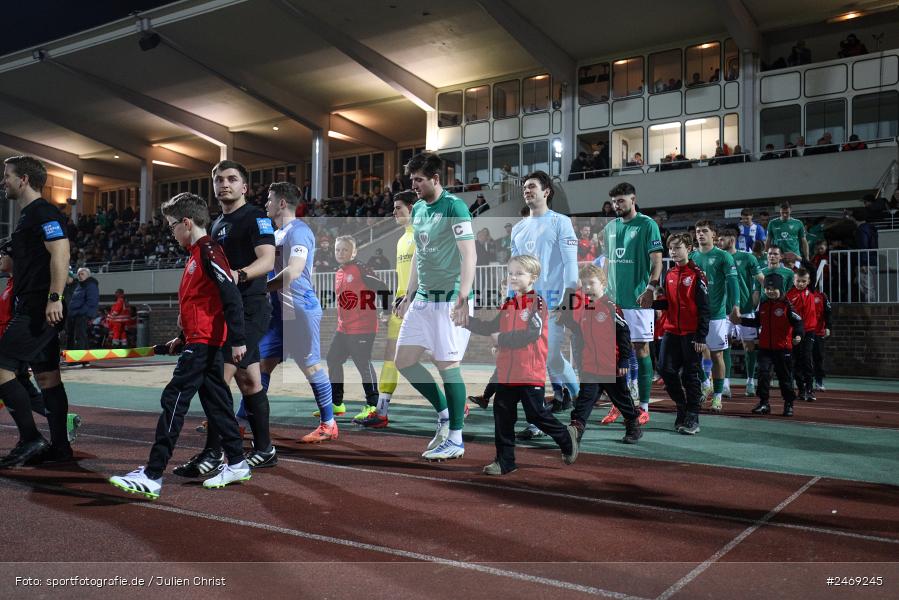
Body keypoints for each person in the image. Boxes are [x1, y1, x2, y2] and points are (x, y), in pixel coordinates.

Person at [108, 193, 251, 498]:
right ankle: (238, 463)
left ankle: (152, 473)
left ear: (186, 223)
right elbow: (204, 304)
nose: (171, 233)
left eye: (172, 226)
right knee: (218, 404)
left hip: (204, 345)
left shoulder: (209, 251)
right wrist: (183, 338)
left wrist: (237, 339)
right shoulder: (197, 254)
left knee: (174, 399)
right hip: (200, 342)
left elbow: (231, 297)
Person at [176, 160, 276, 478]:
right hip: (226, 311)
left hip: (250, 309)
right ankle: (264, 449)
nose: (225, 184)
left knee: (217, 379)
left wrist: (239, 274)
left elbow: (268, 260)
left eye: (232, 179)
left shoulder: (255, 216)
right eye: (219, 180)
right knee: (249, 380)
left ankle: (214, 452)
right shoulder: (217, 224)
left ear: (244, 187)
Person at [394, 152, 475, 462]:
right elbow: (419, 255)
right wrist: (409, 295)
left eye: (419, 180)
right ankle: (444, 414)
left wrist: (463, 297)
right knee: (405, 360)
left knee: (448, 366)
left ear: (436, 179)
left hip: (449, 298)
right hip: (424, 299)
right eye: (411, 180)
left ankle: (456, 438)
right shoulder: (419, 211)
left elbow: (469, 255)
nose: (413, 185)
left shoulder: (454, 207)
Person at [466, 255, 579, 475]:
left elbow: (531, 334)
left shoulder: (537, 302)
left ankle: (566, 437)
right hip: (508, 373)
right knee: (502, 414)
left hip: (529, 372)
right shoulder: (508, 304)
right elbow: (491, 327)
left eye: (519, 273)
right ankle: (504, 461)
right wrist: (466, 322)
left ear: (533, 278)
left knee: (535, 415)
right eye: (510, 273)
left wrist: (502, 340)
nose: (513, 277)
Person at [0, 156, 76, 468]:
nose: (3, 181)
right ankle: (60, 449)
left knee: (2, 367)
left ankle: (31, 438)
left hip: (38, 307)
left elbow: (61, 251)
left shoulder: (43, 212)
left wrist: (55, 297)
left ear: (24, 179)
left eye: (7, 176)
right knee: (47, 378)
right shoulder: (29, 217)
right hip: (34, 304)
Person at [261, 182, 337, 442]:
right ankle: (242, 419)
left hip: (300, 308)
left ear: (282, 203)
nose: (266, 204)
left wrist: (262, 287)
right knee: (262, 364)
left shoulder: (299, 231)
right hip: (279, 312)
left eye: (270, 199)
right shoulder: (278, 233)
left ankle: (329, 423)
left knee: (311, 365)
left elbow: (293, 271)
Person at [510, 170, 580, 442]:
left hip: (553, 302)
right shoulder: (518, 228)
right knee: (534, 361)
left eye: (532, 187)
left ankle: (577, 394)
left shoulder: (561, 222)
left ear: (546, 191)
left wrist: (569, 297)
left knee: (549, 358)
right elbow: (514, 269)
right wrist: (509, 299)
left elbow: (571, 262)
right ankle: (537, 420)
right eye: (525, 187)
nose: (527, 191)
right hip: (526, 306)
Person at [0, 239, 80, 443]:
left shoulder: (23, 284)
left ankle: (34, 437)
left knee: (24, 387)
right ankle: (59, 424)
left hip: (17, 346)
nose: (0, 258)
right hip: (13, 345)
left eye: (4, 254)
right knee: (26, 389)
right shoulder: (12, 284)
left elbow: (14, 318)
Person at [600, 182, 662, 425]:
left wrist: (651, 287)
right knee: (613, 356)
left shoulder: (647, 225)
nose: (617, 205)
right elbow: (606, 263)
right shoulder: (610, 228)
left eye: (621, 201)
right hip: (613, 301)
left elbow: (656, 260)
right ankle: (621, 405)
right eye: (614, 201)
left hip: (637, 300)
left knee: (641, 350)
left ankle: (644, 407)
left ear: (633, 199)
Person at [559, 264, 640, 443]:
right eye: (584, 284)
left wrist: (624, 360)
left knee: (622, 400)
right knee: (584, 401)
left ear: (602, 283)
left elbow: (624, 334)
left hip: (611, 367)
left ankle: (633, 425)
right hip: (590, 368)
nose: (587, 288)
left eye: (591, 283)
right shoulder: (585, 308)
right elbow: (581, 332)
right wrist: (565, 320)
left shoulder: (611, 307)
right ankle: (575, 431)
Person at [362, 191, 417, 429]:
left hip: (421, 305)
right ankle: (382, 409)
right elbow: (402, 277)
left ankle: (454, 405)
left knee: (440, 360)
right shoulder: (401, 239)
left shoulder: (422, 236)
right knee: (390, 355)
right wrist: (394, 303)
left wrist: (412, 300)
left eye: (398, 208)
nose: (393, 212)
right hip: (402, 304)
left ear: (412, 208)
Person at [653, 233, 709, 434]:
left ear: (689, 248)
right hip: (671, 330)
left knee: (690, 375)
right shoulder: (669, 274)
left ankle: (692, 416)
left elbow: (704, 308)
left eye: (678, 248)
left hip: (691, 333)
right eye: (671, 249)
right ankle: (682, 405)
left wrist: (701, 336)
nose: (674, 252)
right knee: (665, 369)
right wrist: (651, 304)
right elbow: (669, 303)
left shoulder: (697, 275)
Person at [328, 235, 388, 424]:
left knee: (363, 363)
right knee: (332, 359)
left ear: (354, 252)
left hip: (363, 328)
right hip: (343, 328)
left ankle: (372, 405)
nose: (341, 253)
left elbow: (383, 287)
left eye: (345, 250)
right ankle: (337, 404)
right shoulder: (338, 272)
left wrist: (386, 311)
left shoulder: (361, 268)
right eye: (338, 250)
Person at [734, 273, 803, 417]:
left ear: (780, 289)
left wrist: (798, 335)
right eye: (767, 289)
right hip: (765, 349)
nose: (770, 291)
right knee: (763, 375)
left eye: (773, 289)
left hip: (783, 349)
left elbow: (798, 322)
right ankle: (764, 403)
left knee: (785, 378)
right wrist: (741, 320)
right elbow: (756, 322)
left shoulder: (787, 306)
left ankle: (788, 403)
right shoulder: (764, 305)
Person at [690, 221, 738, 411]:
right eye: (698, 231)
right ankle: (705, 383)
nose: (700, 234)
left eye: (704, 231)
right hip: (695, 314)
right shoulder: (692, 256)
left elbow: (733, 282)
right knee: (691, 355)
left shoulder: (723, 256)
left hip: (716, 314)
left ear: (714, 235)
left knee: (717, 354)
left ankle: (717, 396)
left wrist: (735, 306)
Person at [718, 228, 764, 396]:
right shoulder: (718, 257)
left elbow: (761, 279)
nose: (719, 241)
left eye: (722, 238)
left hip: (745, 309)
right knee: (725, 346)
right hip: (724, 310)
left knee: (749, 346)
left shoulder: (747, 257)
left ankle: (750, 381)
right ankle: (725, 384)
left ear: (733, 239)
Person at [786, 268, 818, 402]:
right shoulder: (788, 296)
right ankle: (801, 389)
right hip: (795, 332)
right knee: (796, 361)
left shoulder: (811, 294)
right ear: (794, 280)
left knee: (807, 359)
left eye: (804, 281)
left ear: (809, 281)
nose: (800, 283)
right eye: (798, 281)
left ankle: (810, 389)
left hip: (809, 331)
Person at [66, 267, 99, 349]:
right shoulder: (81, 285)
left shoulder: (91, 285)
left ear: (88, 275)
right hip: (76, 314)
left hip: (82, 315)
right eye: (79, 274)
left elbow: (91, 301)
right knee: (80, 336)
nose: (80, 276)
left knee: (80, 336)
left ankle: (78, 358)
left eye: (82, 274)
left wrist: (80, 312)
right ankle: (84, 359)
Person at [811, 284, 832, 392]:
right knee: (802, 358)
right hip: (804, 332)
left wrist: (828, 327)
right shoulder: (799, 294)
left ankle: (819, 381)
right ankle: (804, 382)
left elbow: (828, 312)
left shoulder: (822, 296)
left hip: (818, 331)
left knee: (818, 357)